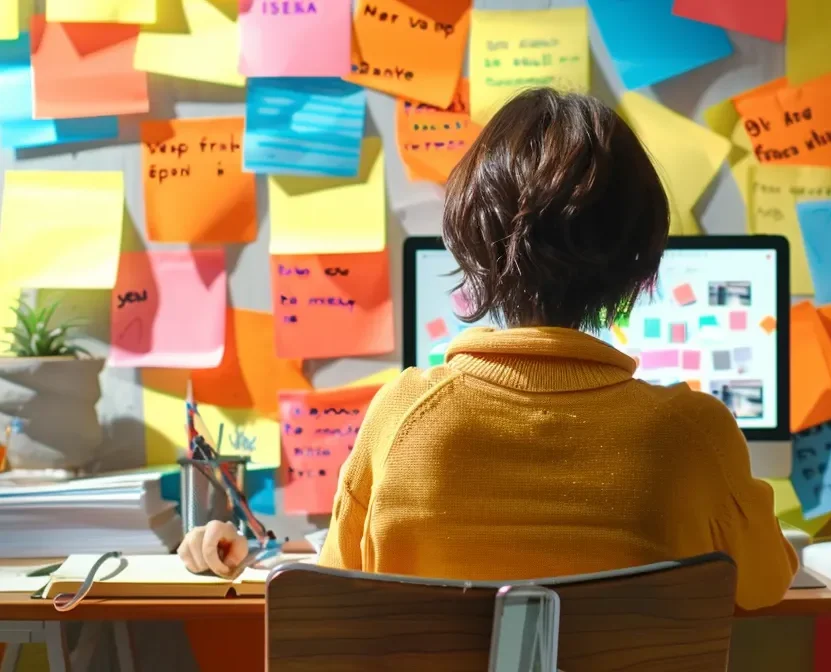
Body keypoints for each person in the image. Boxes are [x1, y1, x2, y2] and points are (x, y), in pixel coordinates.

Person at [178, 87, 797, 610]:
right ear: (638, 259)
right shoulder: (696, 433)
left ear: (472, 245)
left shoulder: (402, 416)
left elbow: (343, 582)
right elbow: (766, 584)